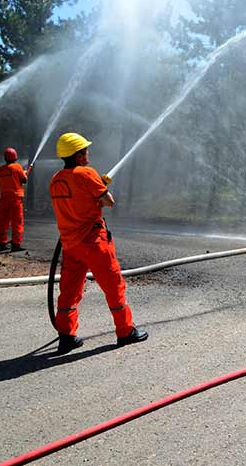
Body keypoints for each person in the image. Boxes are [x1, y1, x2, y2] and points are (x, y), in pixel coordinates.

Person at [49, 132, 148, 355]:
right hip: (94, 242)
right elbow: (108, 202)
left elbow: (77, 200)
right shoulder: (87, 174)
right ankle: (125, 332)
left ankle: (66, 337)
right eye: (85, 150)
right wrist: (99, 186)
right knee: (114, 287)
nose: (88, 153)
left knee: (69, 292)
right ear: (78, 154)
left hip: (71, 245)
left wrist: (95, 187)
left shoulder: (55, 180)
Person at [0, 147, 31, 252]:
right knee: (17, 221)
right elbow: (24, 180)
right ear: (15, 157)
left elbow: (3, 180)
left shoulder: (0, 170)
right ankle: (16, 244)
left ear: (5, 158)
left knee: (3, 222)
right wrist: (24, 173)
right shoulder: (17, 167)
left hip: (3, 199)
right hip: (15, 199)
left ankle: (1, 244)